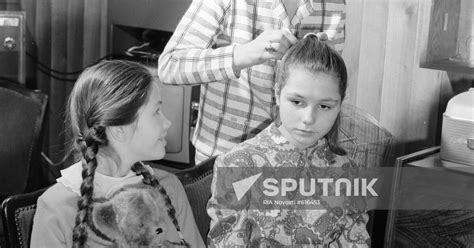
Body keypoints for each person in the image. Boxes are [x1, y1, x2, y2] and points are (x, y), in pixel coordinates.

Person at [206, 35, 370, 247]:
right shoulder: (238, 165)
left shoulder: (348, 171)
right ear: (277, 93)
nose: (308, 119)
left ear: (340, 104)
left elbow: (356, 242)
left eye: (325, 106)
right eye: (297, 101)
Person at [30, 60, 204, 247]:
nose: (167, 122)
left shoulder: (169, 187)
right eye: (157, 112)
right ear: (119, 129)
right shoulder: (57, 207)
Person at [158, 0, 346, 164]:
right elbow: (170, 65)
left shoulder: (334, 4)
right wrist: (246, 53)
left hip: (293, 162)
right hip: (222, 159)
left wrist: (320, 58)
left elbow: (330, 88)